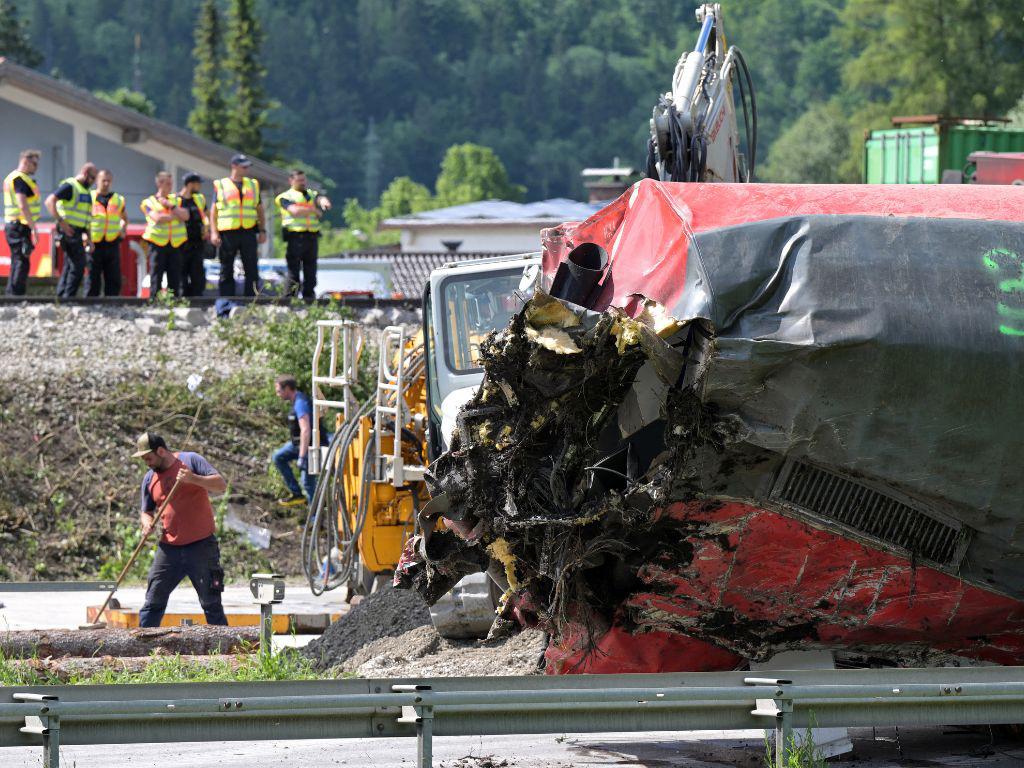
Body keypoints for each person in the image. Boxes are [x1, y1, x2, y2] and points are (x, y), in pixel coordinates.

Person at [133, 432, 229, 628]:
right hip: (169, 549)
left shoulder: (190, 460)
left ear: (161, 451)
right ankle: (142, 648)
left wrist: (193, 479)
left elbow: (221, 485)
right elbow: (146, 511)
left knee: (211, 604)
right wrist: (147, 523)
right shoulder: (150, 478)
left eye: (149, 458)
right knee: (153, 603)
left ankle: (227, 652)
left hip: (201, 546)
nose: (147, 463)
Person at [210, 154, 265, 296]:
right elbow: (213, 211)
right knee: (226, 267)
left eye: (248, 166)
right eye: (244, 166)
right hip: (228, 232)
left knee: (251, 267)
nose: (247, 169)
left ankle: (251, 299)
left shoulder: (253, 184)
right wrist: (214, 232)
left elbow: (259, 209)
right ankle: (227, 299)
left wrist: (262, 230)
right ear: (234, 166)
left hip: (248, 231)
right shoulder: (221, 184)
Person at [274, 169, 332, 299]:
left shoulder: (310, 194)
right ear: (291, 181)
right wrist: (313, 210)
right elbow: (294, 210)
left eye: (304, 180)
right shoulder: (285, 196)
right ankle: (290, 298)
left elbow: (320, 198)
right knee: (293, 271)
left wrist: (324, 202)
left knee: (310, 271)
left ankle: (309, 298)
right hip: (295, 237)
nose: (302, 183)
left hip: (311, 237)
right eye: (299, 180)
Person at [45, 162, 97, 298]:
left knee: (70, 264)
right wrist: (62, 223)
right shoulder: (70, 186)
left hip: (78, 232)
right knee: (79, 264)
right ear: (85, 173)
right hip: (69, 230)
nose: (93, 182)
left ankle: (62, 296)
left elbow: (86, 218)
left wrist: (89, 238)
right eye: (92, 178)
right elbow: (50, 201)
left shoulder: (85, 191)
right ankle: (69, 296)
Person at [141, 171, 189, 298]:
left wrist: (170, 206)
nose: (170, 186)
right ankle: (154, 301)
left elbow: (185, 215)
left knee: (175, 275)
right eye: (167, 183)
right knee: (156, 273)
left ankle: (174, 301)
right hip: (157, 243)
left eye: (171, 183)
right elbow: (157, 218)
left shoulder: (177, 201)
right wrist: (175, 216)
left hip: (176, 244)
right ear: (159, 183)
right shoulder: (149, 202)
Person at [272, 375, 317, 506]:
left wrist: (302, 457)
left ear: (287, 389)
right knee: (278, 457)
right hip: (297, 444)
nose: (277, 394)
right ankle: (296, 493)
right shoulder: (296, 400)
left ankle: (315, 520)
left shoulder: (300, 403)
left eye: (279, 391)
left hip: (309, 446)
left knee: (308, 483)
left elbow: (305, 430)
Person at [3, 149, 41, 296]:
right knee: (21, 261)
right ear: (25, 161)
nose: (36, 167)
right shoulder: (19, 179)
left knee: (17, 260)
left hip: (15, 225)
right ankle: (16, 296)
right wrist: (33, 228)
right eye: (34, 164)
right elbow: (22, 205)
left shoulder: (15, 178)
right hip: (19, 225)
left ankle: (11, 295)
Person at [86, 169, 127, 297]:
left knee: (113, 277)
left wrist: (123, 230)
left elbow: (124, 218)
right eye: (103, 180)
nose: (106, 183)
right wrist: (85, 237)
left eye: (109, 181)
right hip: (94, 243)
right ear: (97, 181)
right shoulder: (89, 197)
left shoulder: (118, 199)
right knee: (93, 277)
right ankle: (91, 303)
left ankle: (112, 303)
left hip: (112, 243)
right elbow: (84, 219)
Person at [178, 172, 208, 297]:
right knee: (181, 274)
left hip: (197, 243)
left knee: (198, 275)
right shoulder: (176, 200)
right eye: (198, 184)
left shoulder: (199, 199)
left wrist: (208, 229)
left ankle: (198, 300)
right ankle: (182, 299)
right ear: (190, 184)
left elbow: (207, 214)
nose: (199, 187)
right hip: (181, 243)